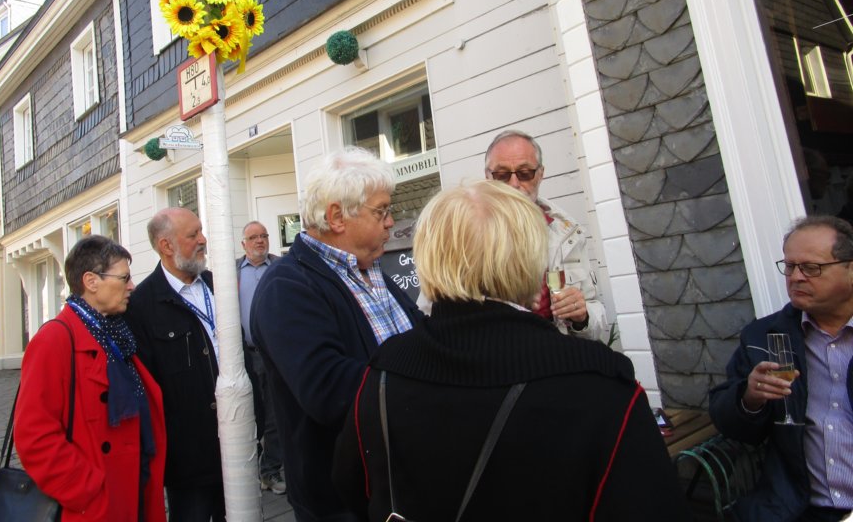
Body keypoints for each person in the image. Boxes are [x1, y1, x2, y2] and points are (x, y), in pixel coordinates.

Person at [332, 181, 687, 521]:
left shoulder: (384, 371)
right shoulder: (603, 388)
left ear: (429, 258)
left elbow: (353, 486)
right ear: (531, 259)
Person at [251, 147, 422, 522]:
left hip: (398, 488)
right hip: (342, 503)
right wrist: (432, 384)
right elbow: (330, 390)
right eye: (381, 211)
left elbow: (420, 339)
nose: (391, 221)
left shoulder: (370, 270)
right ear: (337, 217)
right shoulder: (287, 287)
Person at [709, 215, 853, 522]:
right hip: (797, 507)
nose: (796, 277)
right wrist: (750, 398)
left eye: (811, 267)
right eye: (789, 266)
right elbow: (732, 426)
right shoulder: (764, 337)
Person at [15, 235, 166, 521]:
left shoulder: (115, 332)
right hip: (97, 503)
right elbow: (34, 436)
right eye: (124, 278)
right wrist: (87, 490)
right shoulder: (55, 339)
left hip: (134, 487)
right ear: (91, 281)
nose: (131, 286)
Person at [124, 207, 226, 522]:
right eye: (193, 234)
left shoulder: (217, 285)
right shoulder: (142, 306)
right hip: (188, 461)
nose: (203, 240)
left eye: (201, 231)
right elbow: (146, 390)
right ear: (166, 246)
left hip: (238, 445)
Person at [483, 129, 607, 339]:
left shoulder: (568, 233)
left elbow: (596, 315)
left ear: (540, 174)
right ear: (488, 177)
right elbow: (431, 311)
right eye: (502, 175)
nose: (514, 184)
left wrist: (582, 316)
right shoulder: (464, 234)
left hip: (556, 357)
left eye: (524, 173)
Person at [236, 220, 285, 495]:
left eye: (264, 236)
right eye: (253, 237)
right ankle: (247, 475)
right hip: (243, 354)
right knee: (248, 414)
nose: (260, 241)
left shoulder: (280, 267)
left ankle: (270, 472)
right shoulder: (230, 272)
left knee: (275, 415)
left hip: (274, 353)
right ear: (244, 244)